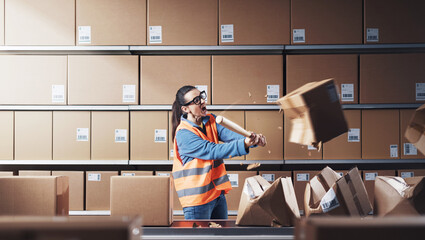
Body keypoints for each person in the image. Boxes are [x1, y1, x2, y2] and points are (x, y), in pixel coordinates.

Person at [171, 85, 267, 220]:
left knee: (222, 236)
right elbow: (213, 150)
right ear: (185, 109)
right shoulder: (183, 134)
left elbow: (233, 137)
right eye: (197, 100)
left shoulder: (210, 120)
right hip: (197, 201)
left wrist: (253, 140)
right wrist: (244, 144)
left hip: (217, 194)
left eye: (202, 97)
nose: (203, 101)